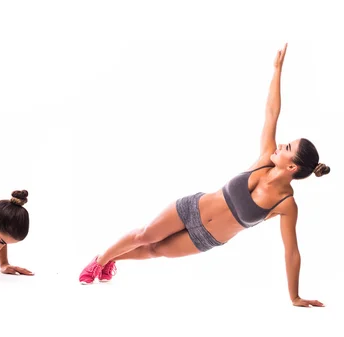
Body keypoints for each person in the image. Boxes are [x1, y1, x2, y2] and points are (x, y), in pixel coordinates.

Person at [78, 43, 330, 308]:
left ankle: (109, 260)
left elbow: (291, 252)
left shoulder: (286, 205)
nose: (281, 145)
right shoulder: (265, 159)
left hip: (207, 238)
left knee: (155, 251)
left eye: (287, 148)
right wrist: (277, 70)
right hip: (191, 208)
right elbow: (271, 113)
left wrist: (295, 296)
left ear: (292, 167)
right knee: (145, 236)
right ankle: (100, 260)